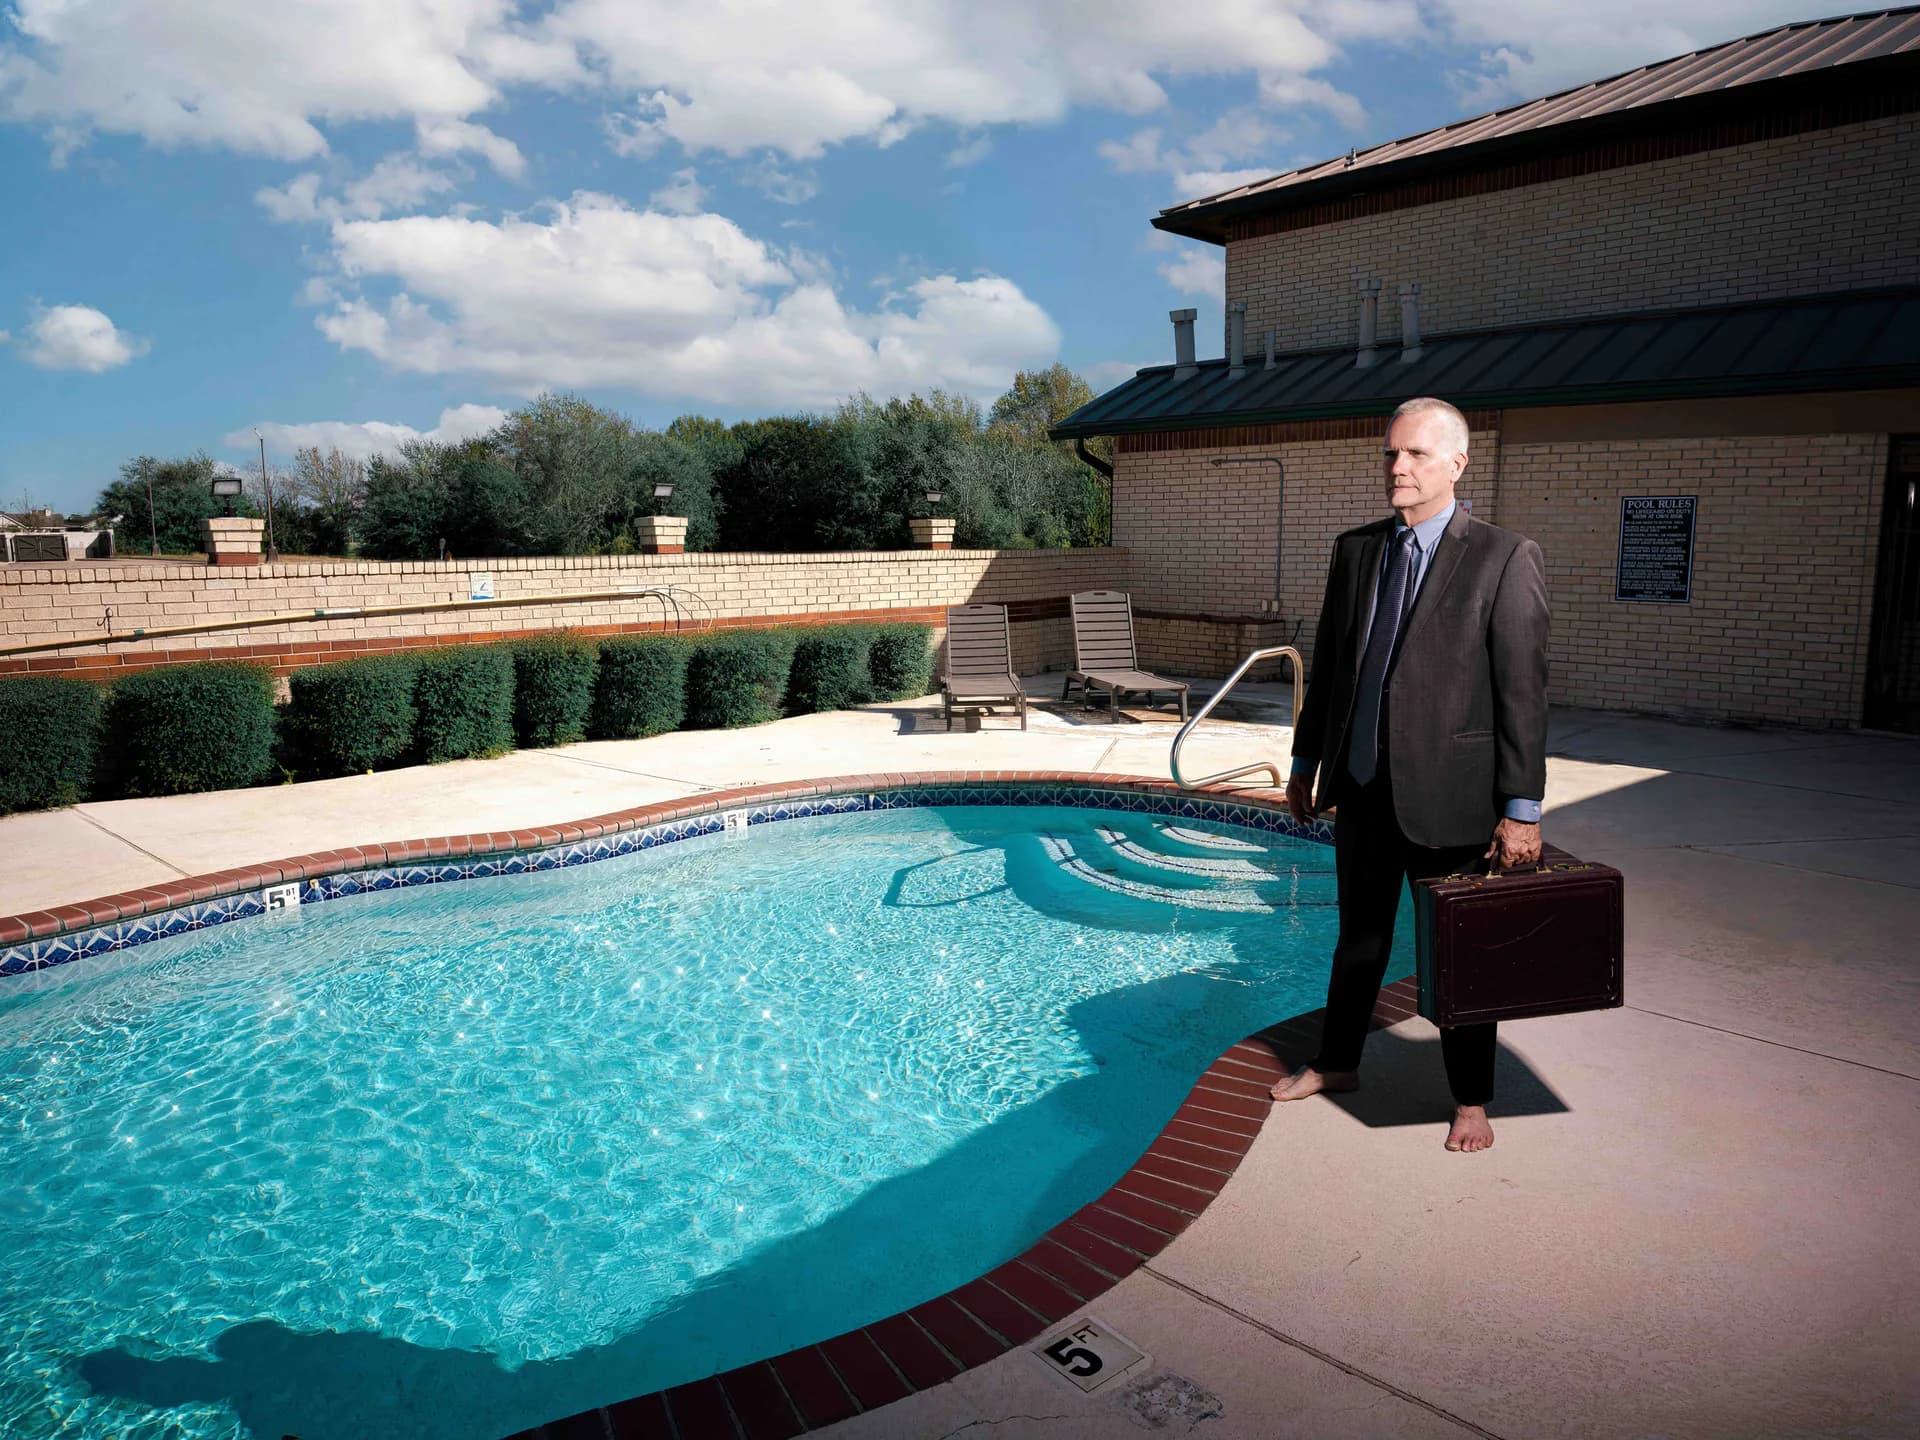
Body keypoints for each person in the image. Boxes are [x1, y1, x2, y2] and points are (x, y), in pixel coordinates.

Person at [1272, 396, 1548, 1153]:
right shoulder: (1357, 550)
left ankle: (1470, 1099)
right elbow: (1330, 668)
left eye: (1416, 454)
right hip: (1361, 787)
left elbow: (1522, 692)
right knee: (1358, 940)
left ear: (1457, 464)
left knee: (1460, 953)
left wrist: (1521, 808)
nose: (1397, 466)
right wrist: (1306, 760)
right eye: (1391, 453)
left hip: (1452, 799)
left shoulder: (1502, 557)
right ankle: (1337, 1062)